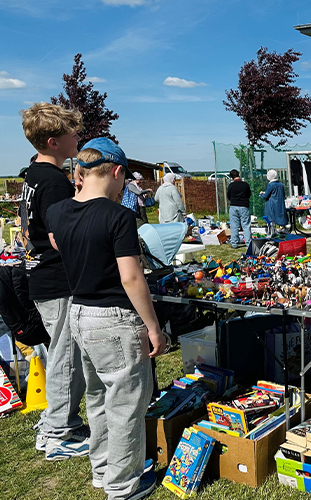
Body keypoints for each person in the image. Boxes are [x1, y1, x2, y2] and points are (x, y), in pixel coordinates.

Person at [46, 138, 166, 500]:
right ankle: (122, 486)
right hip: (114, 318)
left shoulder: (58, 212)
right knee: (126, 403)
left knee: (97, 398)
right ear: (116, 172)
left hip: (79, 312)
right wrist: (153, 326)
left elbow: (56, 243)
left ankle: (102, 471)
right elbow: (131, 277)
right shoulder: (118, 216)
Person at [19, 102, 90, 459]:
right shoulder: (53, 182)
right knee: (67, 354)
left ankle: (56, 422)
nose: (78, 137)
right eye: (72, 133)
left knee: (62, 351)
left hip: (39, 274)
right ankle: (59, 431)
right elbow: (63, 235)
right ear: (52, 141)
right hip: (57, 278)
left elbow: (31, 228)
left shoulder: (33, 174)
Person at [227, 169, 252, 249]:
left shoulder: (231, 185)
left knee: (234, 225)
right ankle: (248, 243)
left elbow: (229, 196)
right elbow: (249, 194)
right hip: (244, 206)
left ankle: (234, 243)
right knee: (246, 225)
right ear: (239, 175)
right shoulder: (245, 185)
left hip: (234, 206)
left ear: (231, 177)